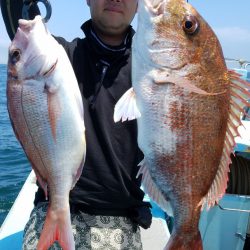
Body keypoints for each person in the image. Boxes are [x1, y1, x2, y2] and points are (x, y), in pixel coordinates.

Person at [1, 0, 152, 249]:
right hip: (51, 207)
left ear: (140, 5)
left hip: (121, 218)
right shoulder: (59, 53)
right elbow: (18, 13)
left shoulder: (153, 70)